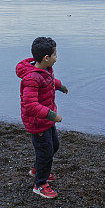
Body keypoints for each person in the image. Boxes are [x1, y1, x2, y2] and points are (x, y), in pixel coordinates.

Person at [16, 37, 68, 198]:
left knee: (54, 146)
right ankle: (40, 184)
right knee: (45, 151)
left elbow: (48, 81)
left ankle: (38, 169)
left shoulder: (45, 70)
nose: (56, 57)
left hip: (46, 119)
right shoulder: (31, 78)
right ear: (46, 58)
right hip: (38, 122)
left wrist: (59, 86)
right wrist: (52, 115)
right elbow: (30, 104)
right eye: (55, 54)